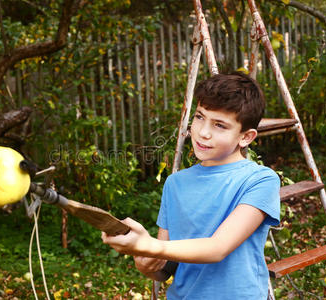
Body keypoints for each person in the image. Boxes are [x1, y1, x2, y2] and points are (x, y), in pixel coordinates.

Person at [102, 71, 280, 299]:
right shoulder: (175, 184)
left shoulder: (259, 180)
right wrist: (147, 263)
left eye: (220, 125)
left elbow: (217, 248)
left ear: (245, 137)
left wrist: (148, 245)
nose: (203, 133)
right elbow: (168, 267)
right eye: (199, 117)